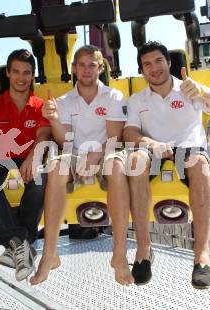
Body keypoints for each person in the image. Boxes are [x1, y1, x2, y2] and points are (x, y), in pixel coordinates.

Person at [123, 41, 210, 288]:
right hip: (155, 151)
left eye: (158, 61)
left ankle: (202, 255)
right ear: (142, 70)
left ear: (169, 62)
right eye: (147, 64)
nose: (154, 68)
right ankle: (143, 250)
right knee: (136, 161)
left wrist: (202, 90)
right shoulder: (137, 99)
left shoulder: (189, 90)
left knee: (200, 163)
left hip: (188, 149)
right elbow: (128, 132)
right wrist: (149, 143)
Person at [30, 45, 128, 285]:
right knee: (55, 167)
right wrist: (53, 119)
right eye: (81, 65)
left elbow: (115, 138)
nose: (86, 70)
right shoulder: (64, 101)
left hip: (106, 152)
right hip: (74, 153)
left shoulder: (113, 97)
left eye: (92, 65)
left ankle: (119, 254)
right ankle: (50, 253)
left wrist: (94, 156)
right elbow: (66, 141)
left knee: (116, 166)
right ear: (73, 68)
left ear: (100, 68)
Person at [0, 49, 51, 281]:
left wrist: (33, 158)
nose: (21, 77)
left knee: (40, 177)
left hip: (28, 159)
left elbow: (44, 135)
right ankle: (22, 243)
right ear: (7, 73)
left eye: (26, 72)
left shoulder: (39, 105)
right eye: (15, 71)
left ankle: (15, 246)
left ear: (33, 75)